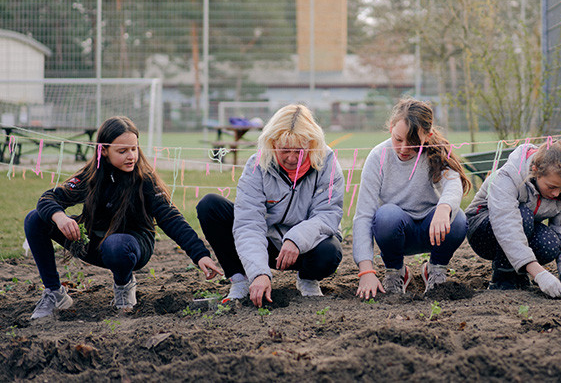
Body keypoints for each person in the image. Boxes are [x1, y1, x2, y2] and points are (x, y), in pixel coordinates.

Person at [24, 116, 223, 319]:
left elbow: (170, 218)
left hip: (131, 246)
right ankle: (54, 292)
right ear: (104, 150)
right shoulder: (91, 175)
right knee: (35, 219)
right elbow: (48, 198)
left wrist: (200, 254)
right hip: (94, 242)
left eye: (134, 149)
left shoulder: (145, 180)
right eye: (122, 151)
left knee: (116, 245)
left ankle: (124, 284)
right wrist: (60, 217)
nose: (131, 156)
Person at [197, 104, 344, 307]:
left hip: (305, 248)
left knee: (330, 251)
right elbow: (249, 223)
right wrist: (258, 272)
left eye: (299, 151)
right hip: (267, 245)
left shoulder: (326, 161)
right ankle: (241, 280)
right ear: (272, 143)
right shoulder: (256, 165)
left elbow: (327, 214)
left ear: (312, 144)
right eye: (284, 150)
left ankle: (308, 280)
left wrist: (296, 239)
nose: (292, 158)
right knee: (210, 206)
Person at [353, 98, 471, 298]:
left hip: (433, 230)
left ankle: (435, 269)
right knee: (386, 215)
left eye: (414, 142)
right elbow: (363, 215)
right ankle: (396, 271)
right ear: (391, 127)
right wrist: (366, 271)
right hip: (395, 231)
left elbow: (453, 184)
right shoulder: (378, 157)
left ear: (428, 135)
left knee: (457, 219)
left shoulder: (438, 152)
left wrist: (444, 208)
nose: (403, 149)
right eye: (398, 139)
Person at [465, 140, 561, 298]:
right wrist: (539, 273)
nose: (557, 193)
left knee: (549, 243)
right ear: (535, 171)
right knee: (524, 216)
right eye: (551, 187)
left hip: (521, 228)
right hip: (482, 230)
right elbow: (507, 227)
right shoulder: (509, 176)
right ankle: (503, 279)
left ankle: (519, 273)